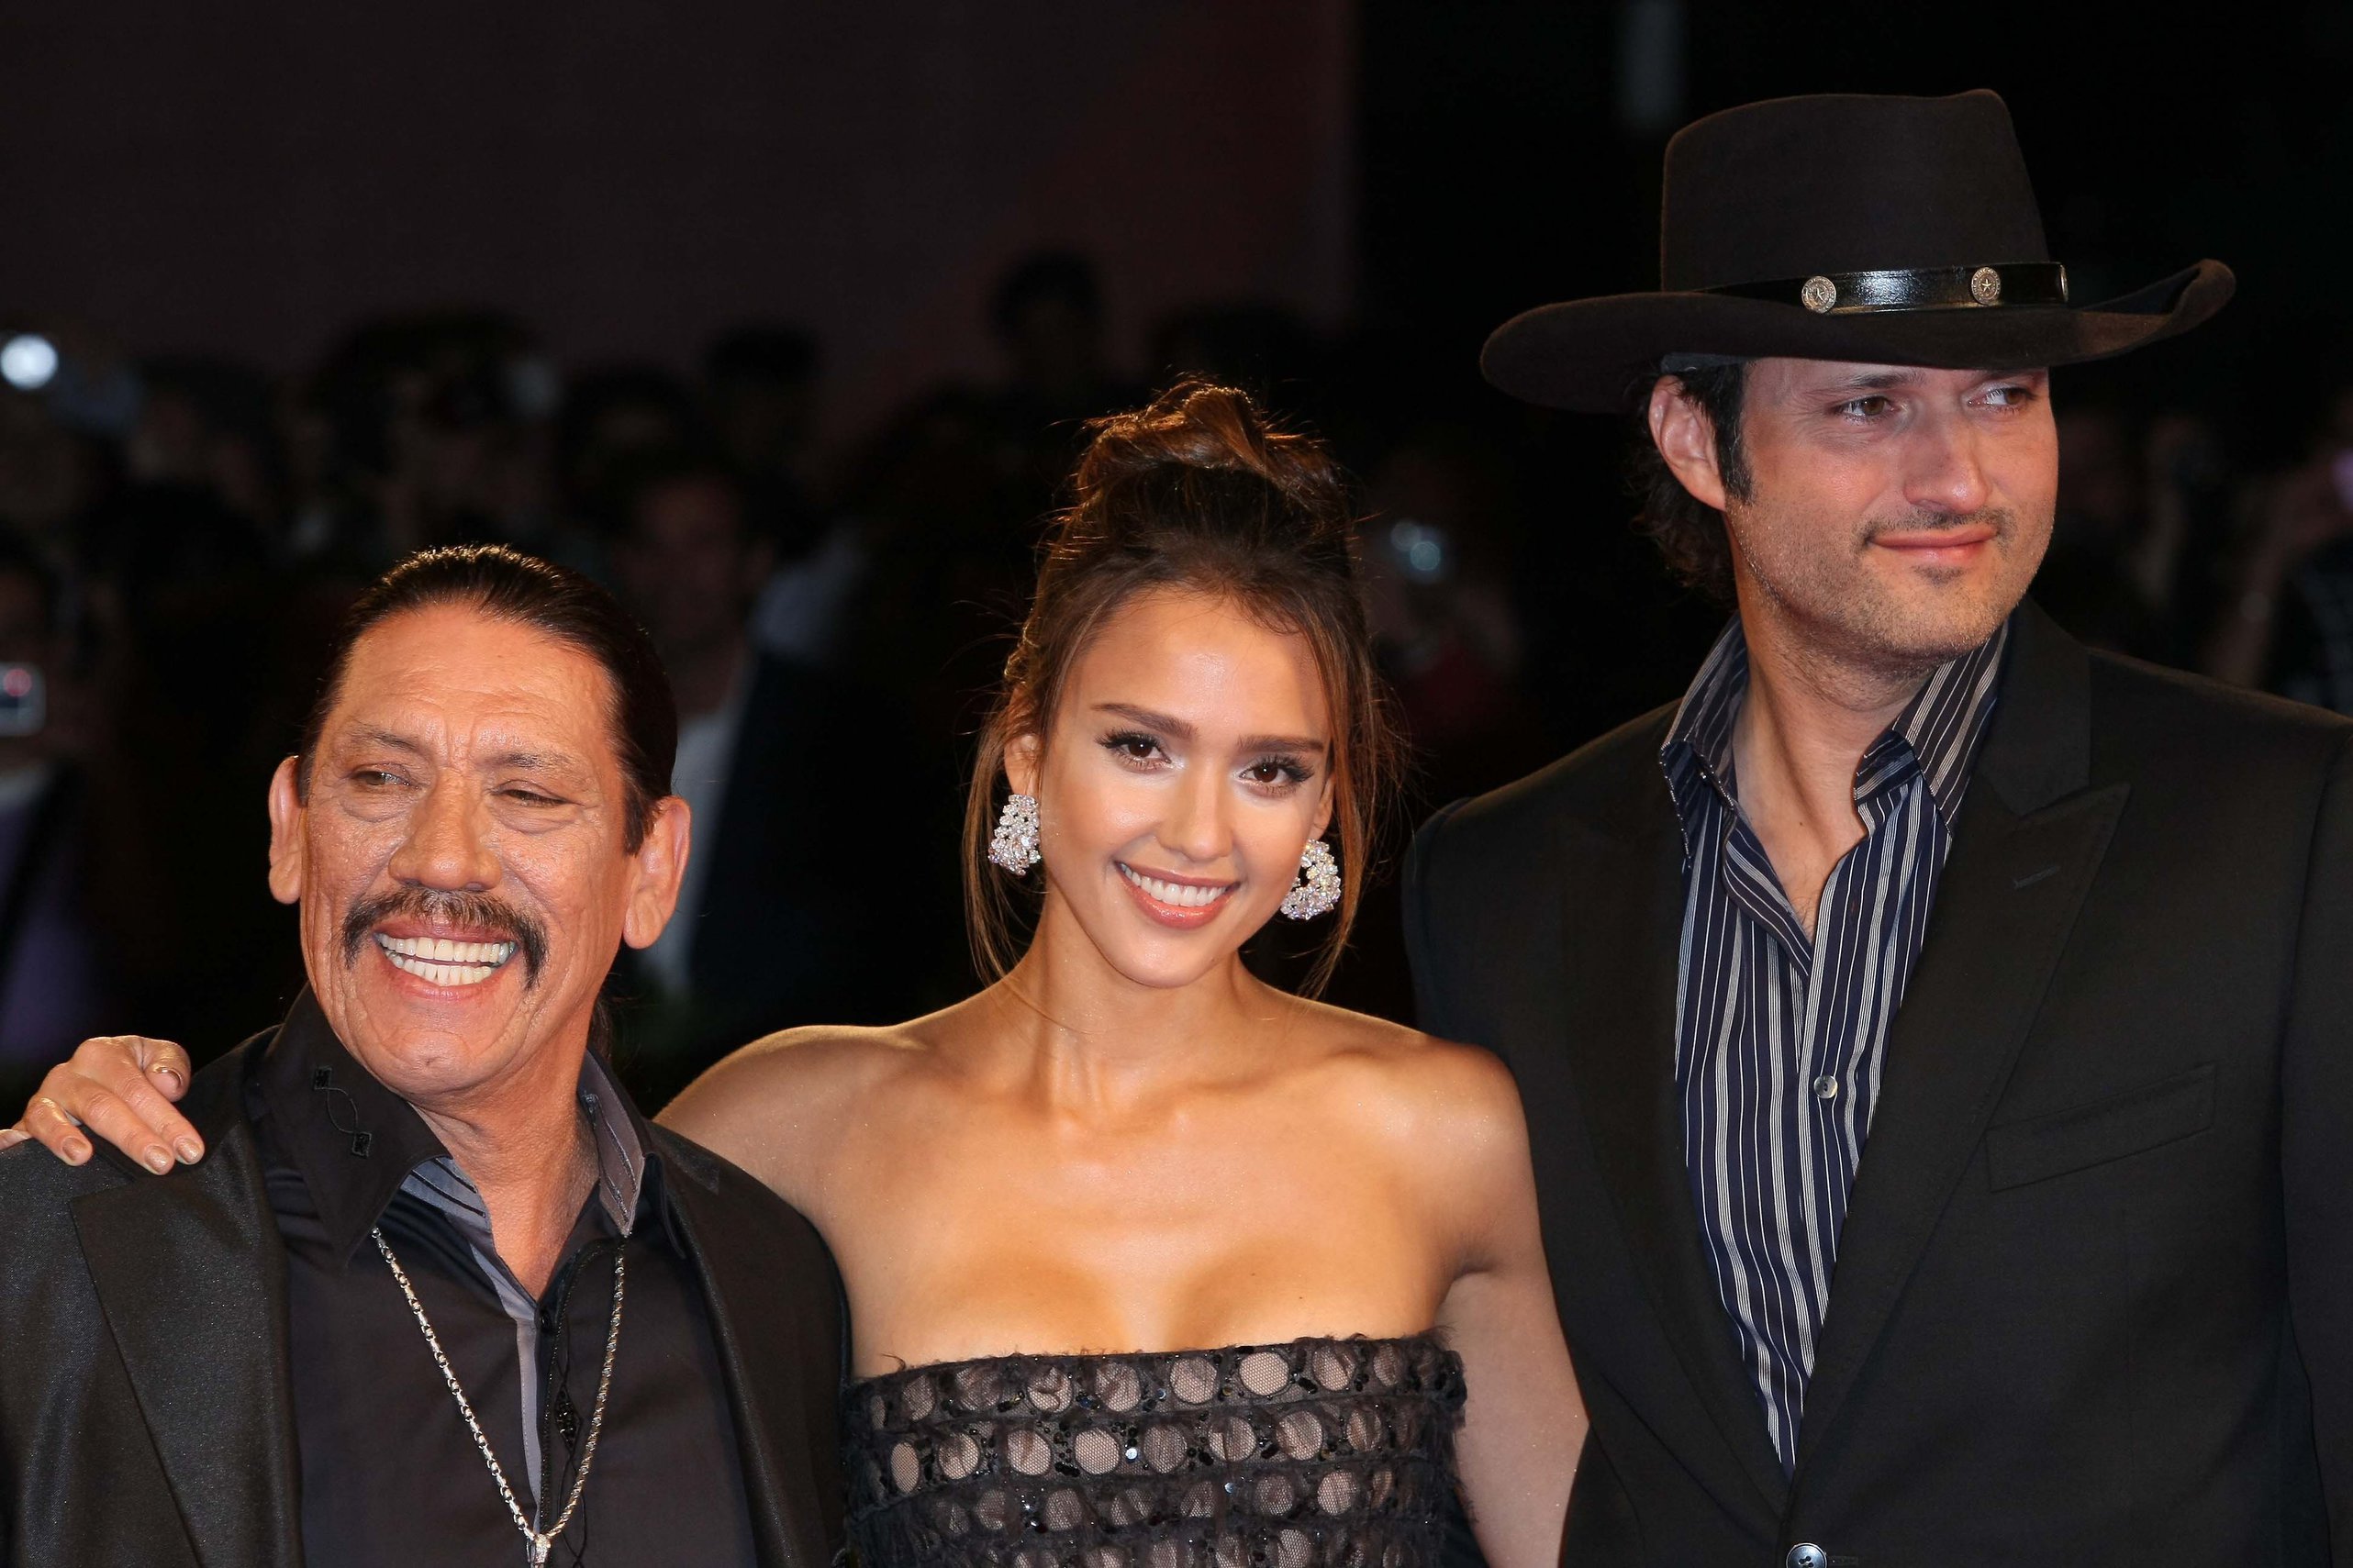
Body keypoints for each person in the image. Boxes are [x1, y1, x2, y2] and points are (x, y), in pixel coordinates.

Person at [19, 384, 1589, 1568]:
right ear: (1027, 752)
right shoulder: (794, 1122)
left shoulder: (1439, 1126)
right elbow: (456, 1163)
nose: (1196, 826)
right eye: (1138, 745)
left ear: (1328, 806)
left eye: (1270, 768)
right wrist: (156, 1115)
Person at [1408, 91, 2350, 1563]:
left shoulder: (2286, 827)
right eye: (1870, 405)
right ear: (1695, 439)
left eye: (2005, 396)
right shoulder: (1497, 887)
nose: (1959, 476)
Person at [0, 545, 844, 1566]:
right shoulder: (50, 1243)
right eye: (380, 778)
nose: (443, 857)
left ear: (651, 868)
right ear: (291, 827)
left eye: (528, 793)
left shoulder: (774, 1274)